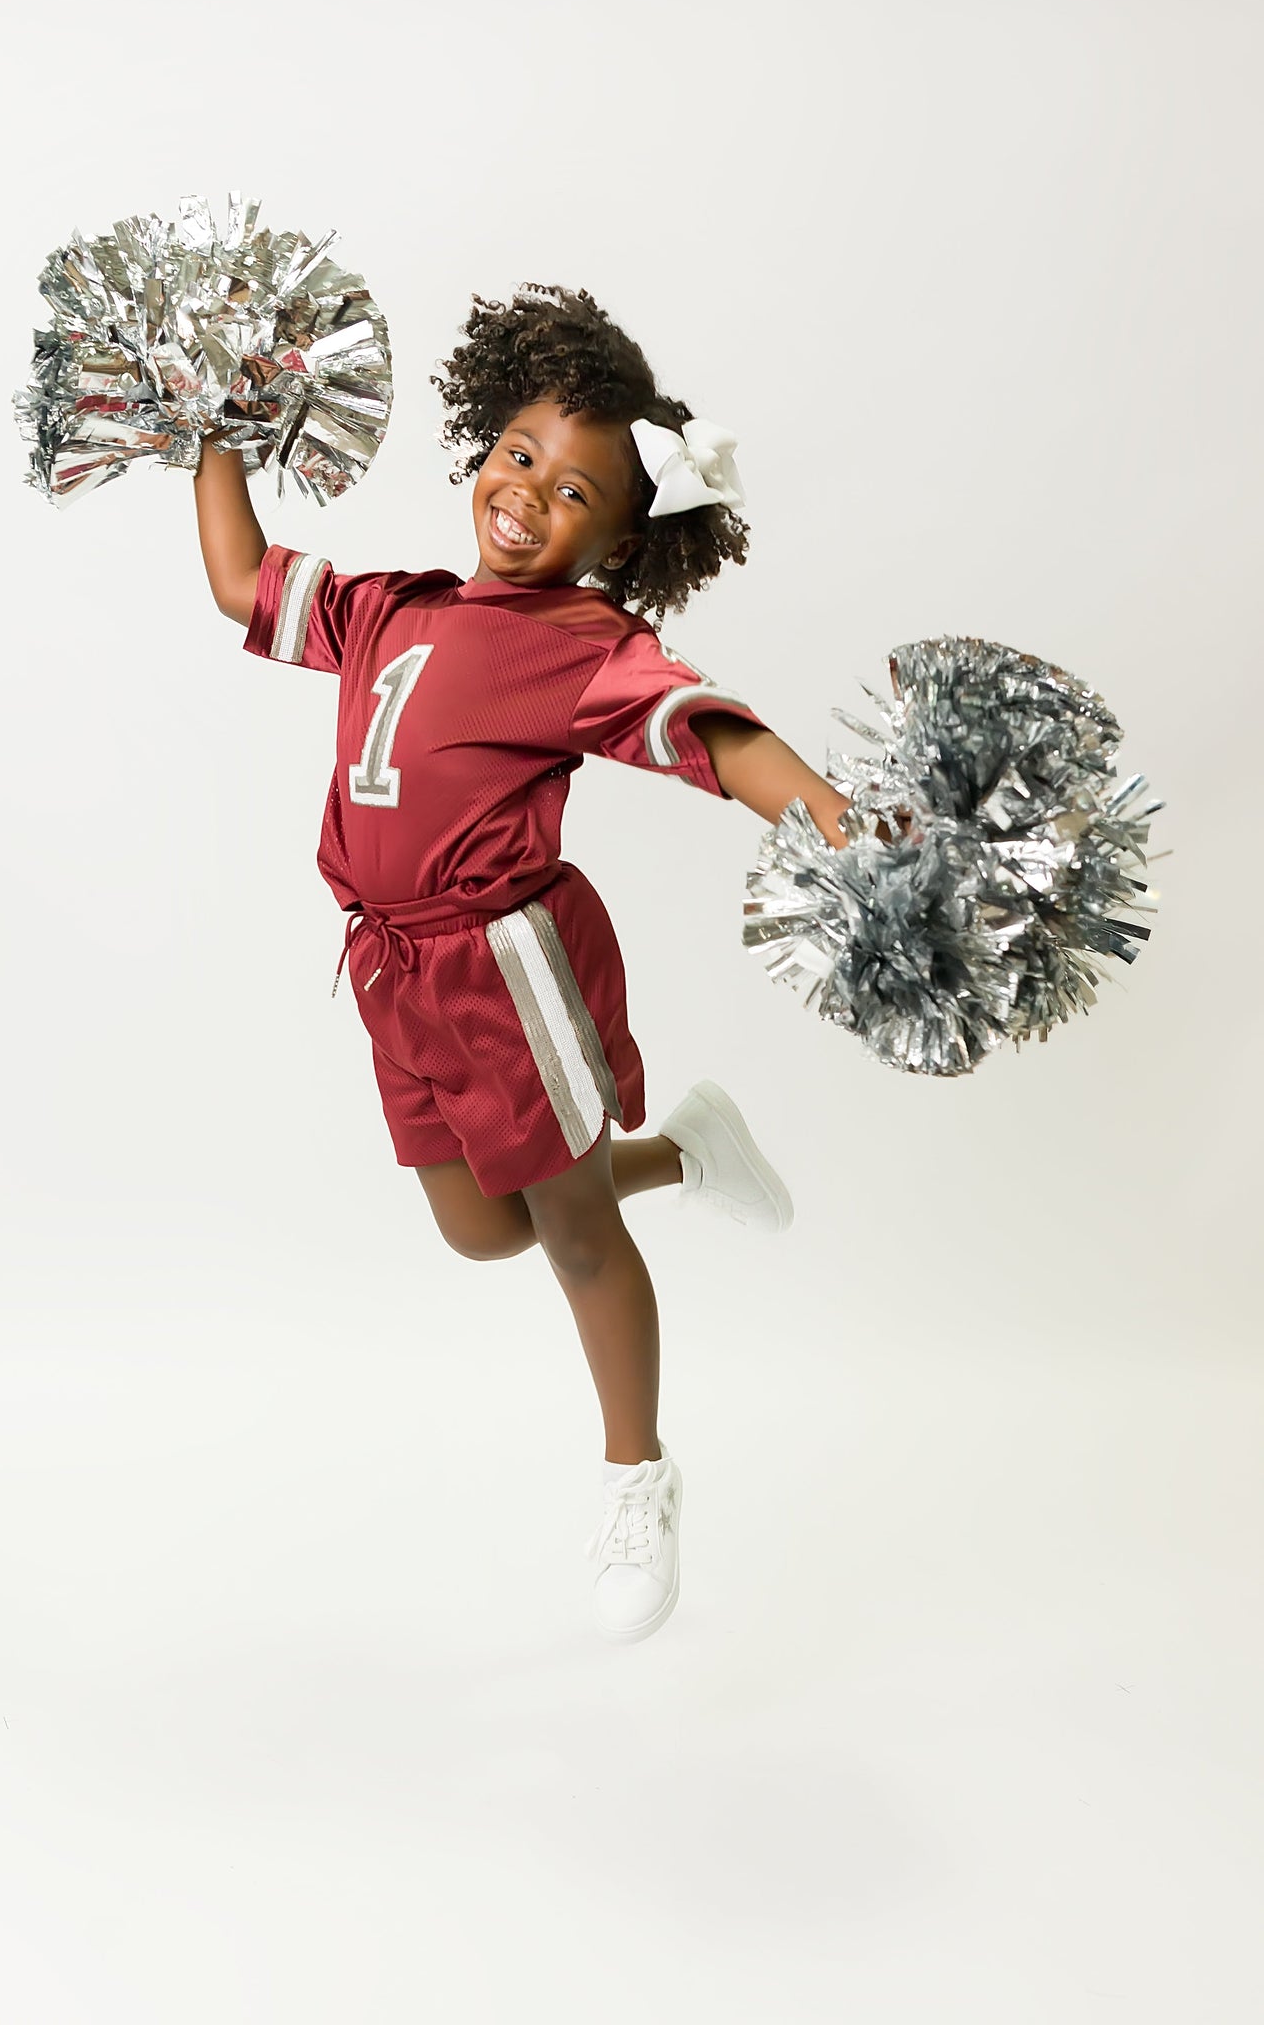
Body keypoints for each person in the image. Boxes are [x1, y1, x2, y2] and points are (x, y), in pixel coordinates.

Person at [192, 283, 851, 1646]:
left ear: (619, 541)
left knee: (566, 1231)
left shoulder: (583, 650)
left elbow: (717, 739)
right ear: (482, 444)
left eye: (575, 495)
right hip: (391, 972)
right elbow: (239, 582)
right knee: (479, 1227)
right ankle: (686, 1150)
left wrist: (839, 821)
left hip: (508, 967)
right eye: (519, 458)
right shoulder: (388, 605)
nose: (529, 495)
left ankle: (636, 1477)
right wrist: (213, 429)